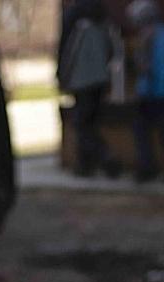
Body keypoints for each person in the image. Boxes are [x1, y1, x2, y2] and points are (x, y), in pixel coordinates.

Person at [60, 0, 123, 178]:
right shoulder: (103, 17)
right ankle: (85, 165)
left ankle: (105, 158)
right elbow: (112, 49)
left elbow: (66, 47)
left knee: (82, 124)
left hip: (81, 79)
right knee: (90, 122)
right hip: (100, 78)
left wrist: (61, 74)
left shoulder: (73, 17)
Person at [127, 0, 164, 184]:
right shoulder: (163, 35)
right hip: (162, 93)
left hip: (157, 94)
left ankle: (154, 169)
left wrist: (149, 88)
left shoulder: (155, 37)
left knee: (153, 134)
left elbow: (157, 68)